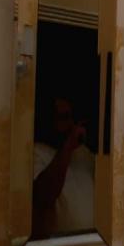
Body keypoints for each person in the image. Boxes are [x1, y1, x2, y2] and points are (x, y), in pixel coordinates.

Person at [32, 96, 95, 238]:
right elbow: (43, 196)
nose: (71, 124)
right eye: (64, 118)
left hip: (91, 242)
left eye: (71, 117)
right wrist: (68, 146)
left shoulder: (83, 153)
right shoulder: (38, 152)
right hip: (59, 245)